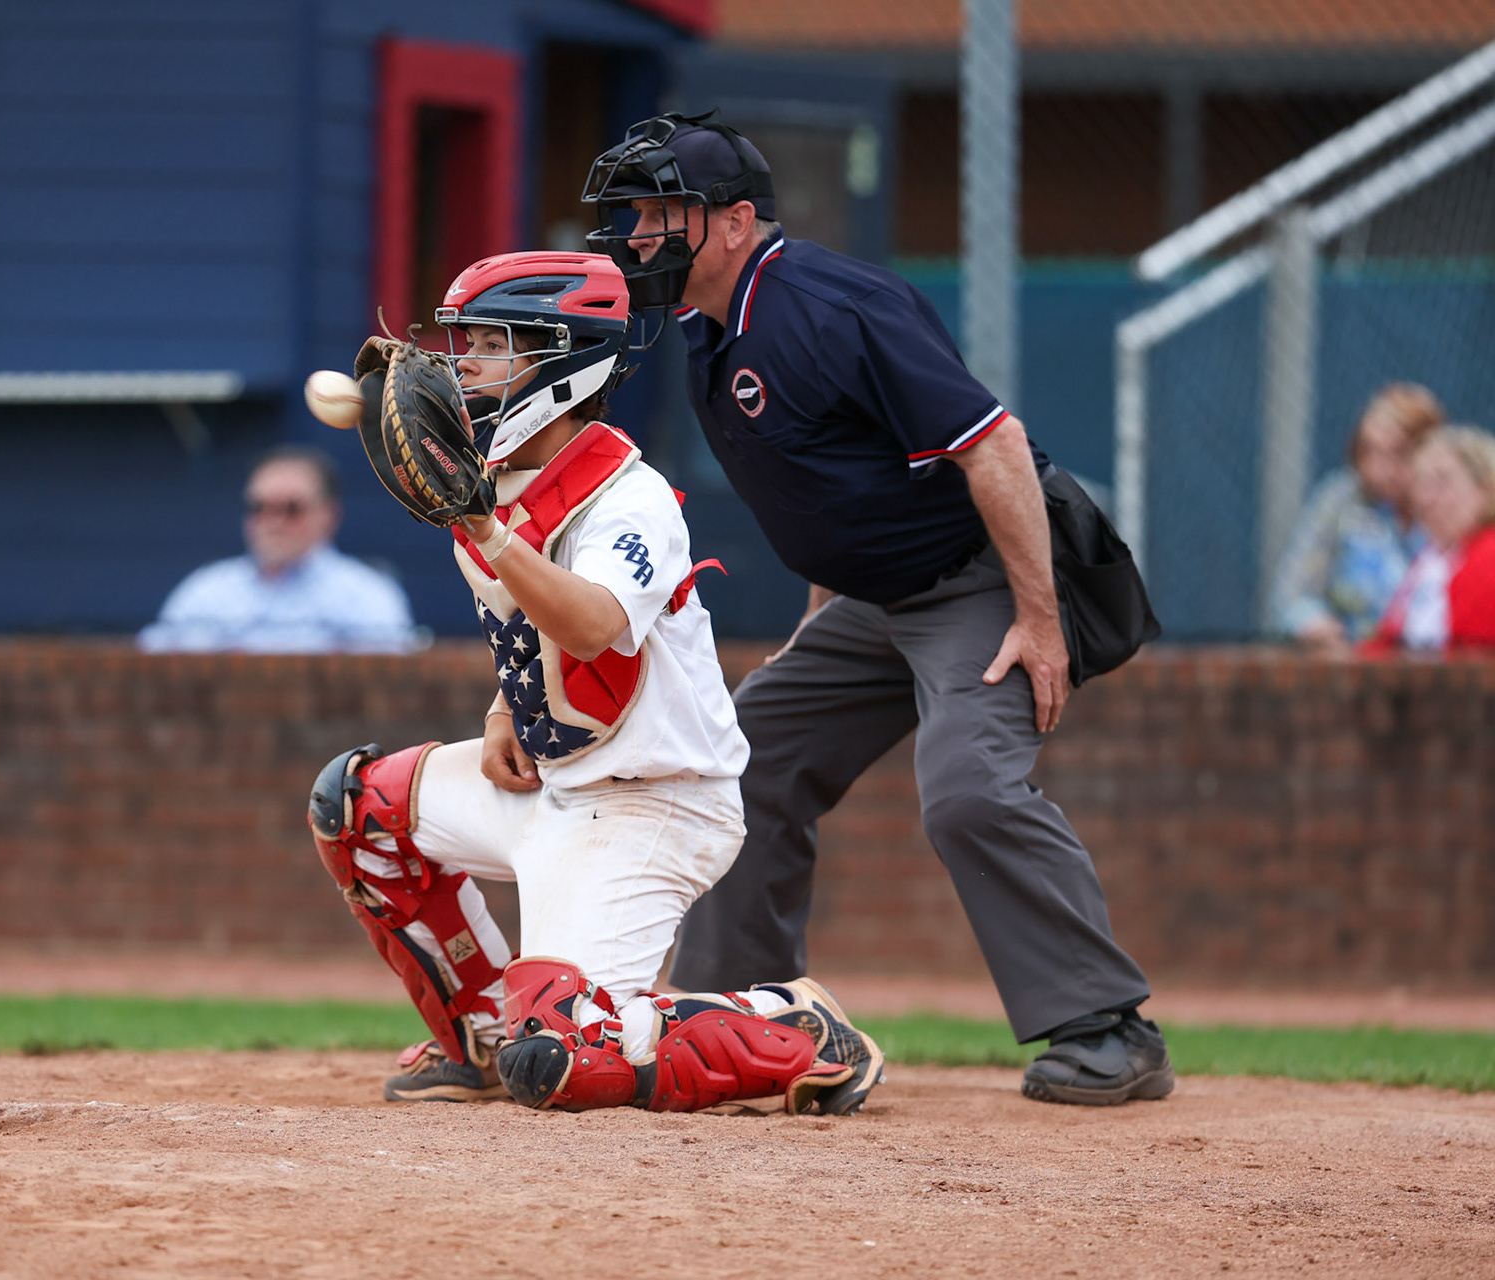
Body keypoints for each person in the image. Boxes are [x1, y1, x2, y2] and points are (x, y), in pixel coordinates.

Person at [581, 113, 1172, 1106]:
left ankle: (1110, 1026)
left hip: (974, 578)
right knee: (746, 754)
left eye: (660, 213)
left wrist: (1037, 617)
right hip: (875, 598)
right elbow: (830, 495)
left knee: (969, 788)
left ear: (733, 224)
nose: (639, 235)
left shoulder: (829, 302)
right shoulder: (706, 327)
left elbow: (995, 444)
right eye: (634, 215)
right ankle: (752, 1014)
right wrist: (818, 639)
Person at [307, 251, 885, 1115]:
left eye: (492, 345)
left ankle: (796, 1027)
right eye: (465, 342)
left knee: (570, 1058)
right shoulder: (497, 479)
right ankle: (478, 1038)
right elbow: (532, 627)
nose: (463, 365)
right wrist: (510, 700)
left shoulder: (629, 496)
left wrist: (481, 527)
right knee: (359, 810)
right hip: (557, 783)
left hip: (655, 804)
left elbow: (594, 624)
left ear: (566, 361)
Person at [137, 447, 417, 654]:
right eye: (259, 508)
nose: (273, 522)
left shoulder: (366, 594)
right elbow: (152, 663)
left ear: (329, 515)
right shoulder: (206, 589)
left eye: (291, 509)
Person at [1270, 383, 1446, 655]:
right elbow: (1292, 598)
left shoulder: (1448, 509)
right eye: (1370, 451)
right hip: (1350, 668)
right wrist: (1318, 628)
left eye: (1398, 453)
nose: (1379, 469)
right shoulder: (1340, 502)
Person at [1363, 425, 1495, 654]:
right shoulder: (1432, 559)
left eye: (1442, 482)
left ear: (1483, 487)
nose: (1426, 499)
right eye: (1420, 484)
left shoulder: (1488, 556)